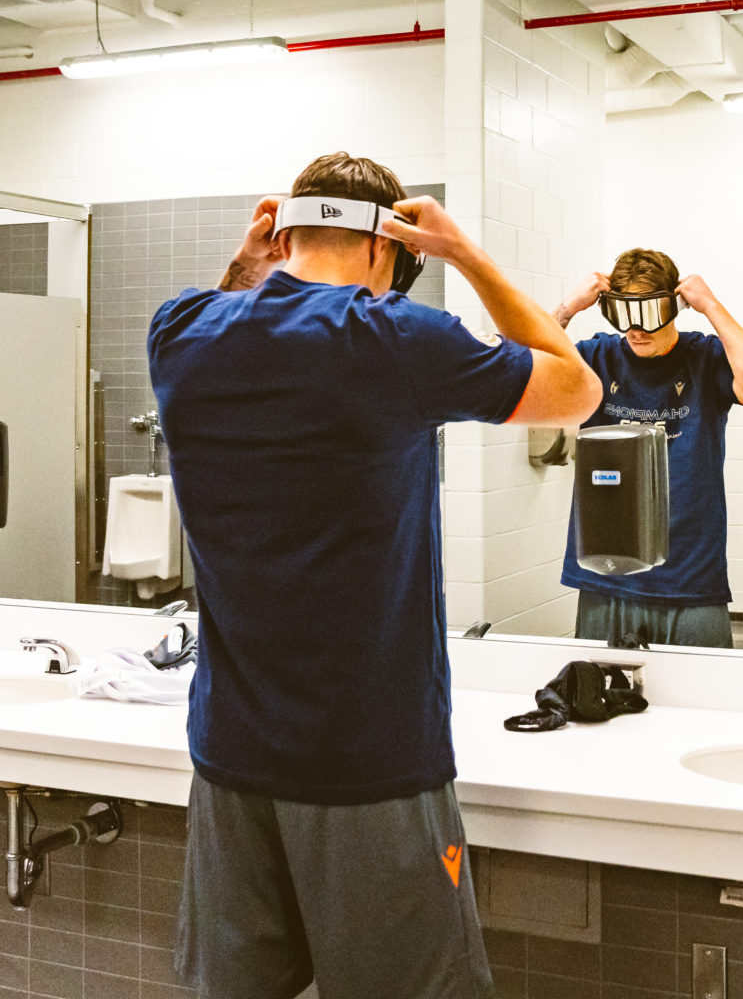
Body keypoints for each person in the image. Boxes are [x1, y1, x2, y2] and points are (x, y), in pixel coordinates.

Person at [148, 151, 601, 999]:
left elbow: (232, 305)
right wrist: (469, 255)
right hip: (368, 761)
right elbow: (578, 391)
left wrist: (256, 258)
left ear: (280, 233)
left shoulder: (179, 333)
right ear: (388, 249)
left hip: (228, 754)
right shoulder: (397, 338)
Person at [555, 247, 743, 649]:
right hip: (605, 574)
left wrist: (710, 306)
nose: (637, 330)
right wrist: (567, 308)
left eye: (648, 314)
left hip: (689, 579)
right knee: (597, 701)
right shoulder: (597, 357)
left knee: (704, 700)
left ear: (673, 306)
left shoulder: (705, 358)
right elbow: (512, 368)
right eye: (625, 315)